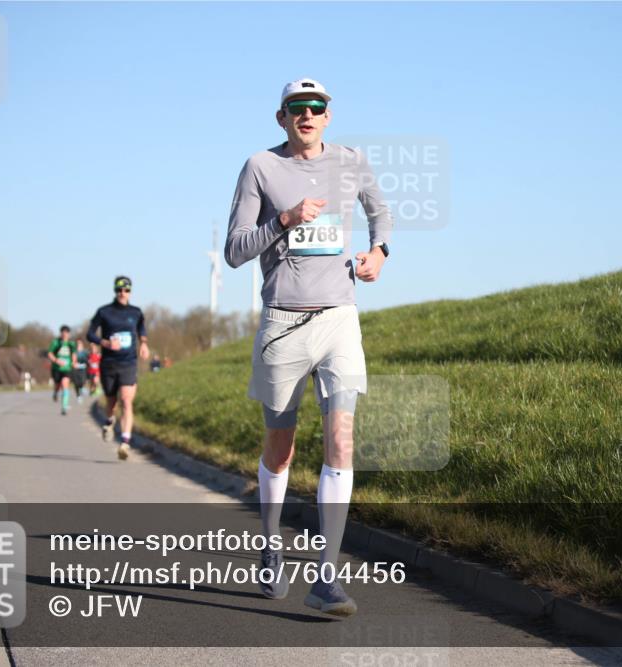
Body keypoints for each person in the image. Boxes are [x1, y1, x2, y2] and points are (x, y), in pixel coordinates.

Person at [224, 78, 392, 617]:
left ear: (328, 116)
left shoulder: (351, 161)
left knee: (342, 439)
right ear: (282, 117)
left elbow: (380, 212)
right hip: (283, 323)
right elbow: (234, 251)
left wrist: (379, 253)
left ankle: (326, 576)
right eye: (297, 108)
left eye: (316, 107)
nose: (308, 115)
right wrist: (285, 219)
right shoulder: (260, 167)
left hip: (340, 318)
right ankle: (270, 543)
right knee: (282, 447)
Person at [86, 276, 149, 460]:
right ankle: (109, 421)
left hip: (128, 363)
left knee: (127, 401)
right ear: (115, 291)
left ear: (130, 292)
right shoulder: (104, 312)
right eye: (119, 290)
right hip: (109, 364)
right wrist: (105, 343)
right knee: (111, 402)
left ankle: (125, 443)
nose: (123, 293)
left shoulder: (136, 312)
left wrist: (144, 344)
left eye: (126, 290)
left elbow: (141, 329)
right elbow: (90, 334)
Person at [47, 326, 78, 416]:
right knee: (57, 386)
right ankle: (55, 393)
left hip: (67, 368)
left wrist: (74, 362)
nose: (65, 334)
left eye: (66, 333)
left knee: (65, 385)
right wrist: (56, 360)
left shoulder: (71, 344)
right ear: (61, 333)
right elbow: (50, 353)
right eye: (63, 332)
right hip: (56, 368)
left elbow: (74, 354)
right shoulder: (56, 342)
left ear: (69, 334)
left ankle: (64, 407)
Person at [72, 340, 89, 404]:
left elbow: (89, 359)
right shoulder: (74, 352)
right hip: (75, 369)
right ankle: (78, 396)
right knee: (76, 384)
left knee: (82, 381)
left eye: (80, 344)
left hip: (83, 369)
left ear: (82, 345)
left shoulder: (85, 352)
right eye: (77, 344)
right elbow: (72, 360)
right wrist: (73, 363)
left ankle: (82, 390)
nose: (78, 345)